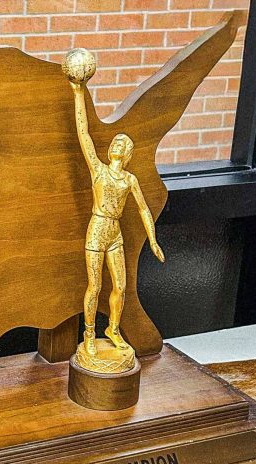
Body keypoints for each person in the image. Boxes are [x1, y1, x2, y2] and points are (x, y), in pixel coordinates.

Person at [69, 79, 165, 359]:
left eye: (122, 143)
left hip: (115, 233)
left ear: (128, 153)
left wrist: (153, 239)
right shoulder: (97, 170)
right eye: (115, 142)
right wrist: (78, 92)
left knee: (121, 286)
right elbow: (83, 133)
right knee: (95, 286)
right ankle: (88, 334)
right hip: (97, 228)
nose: (117, 145)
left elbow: (144, 209)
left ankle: (112, 329)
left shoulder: (130, 180)